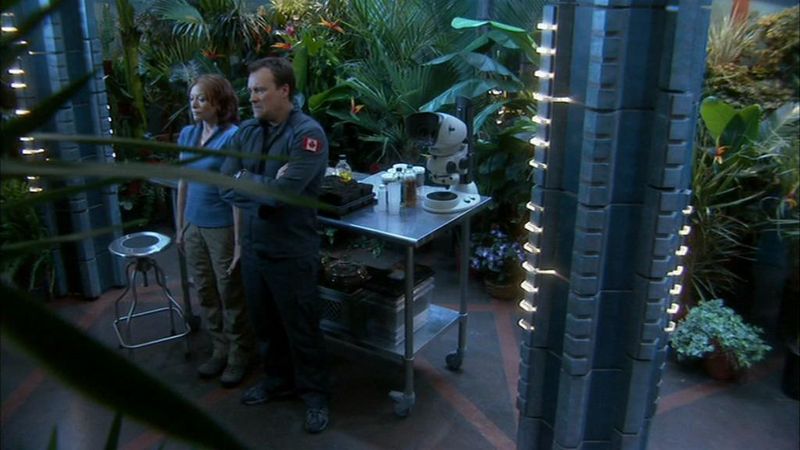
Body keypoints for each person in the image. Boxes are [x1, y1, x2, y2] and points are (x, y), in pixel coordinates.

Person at [220, 57, 331, 434]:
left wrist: (246, 180)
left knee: (301, 329)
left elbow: (283, 195)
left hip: (291, 251)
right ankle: (277, 381)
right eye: (251, 90)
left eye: (260, 90)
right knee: (265, 325)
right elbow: (224, 183)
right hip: (254, 248)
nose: (252, 97)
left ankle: (315, 395)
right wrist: (262, 186)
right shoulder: (247, 131)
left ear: (284, 91)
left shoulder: (307, 135)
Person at [175, 74, 255, 388]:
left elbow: (236, 192)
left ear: (219, 103)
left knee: (229, 293)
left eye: (202, 99)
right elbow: (183, 181)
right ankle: (219, 348)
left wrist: (238, 242)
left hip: (221, 227)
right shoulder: (188, 134)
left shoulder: (232, 137)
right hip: (193, 224)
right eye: (192, 98)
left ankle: (239, 354)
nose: (194, 104)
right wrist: (180, 225)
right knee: (205, 290)